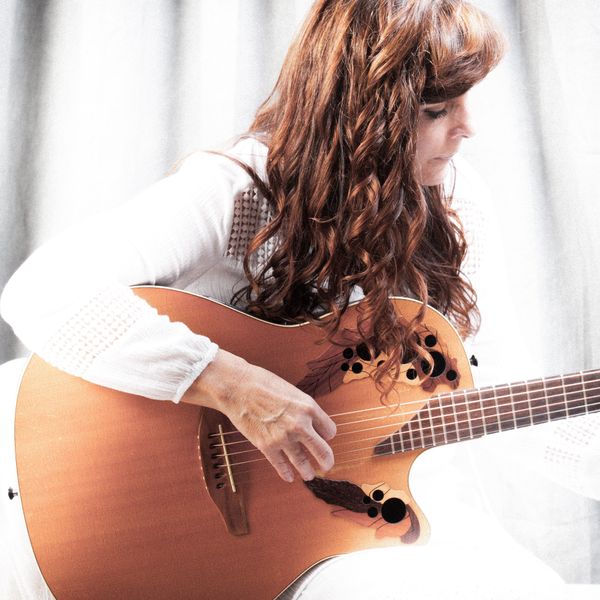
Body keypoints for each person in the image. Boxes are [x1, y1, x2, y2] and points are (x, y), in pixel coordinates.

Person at [0, 0, 587, 598]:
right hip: (183, 516)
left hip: (363, 518)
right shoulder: (240, 190)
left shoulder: (455, 204)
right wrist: (230, 385)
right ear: (363, 112)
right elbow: (42, 291)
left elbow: (498, 387)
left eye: (466, 99)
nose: (468, 126)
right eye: (436, 109)